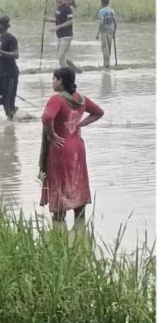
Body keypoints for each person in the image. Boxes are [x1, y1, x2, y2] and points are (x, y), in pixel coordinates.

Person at [39, 67, 104, 224]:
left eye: (54, 79)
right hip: (77, 147)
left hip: (60, 148)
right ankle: (80, 219)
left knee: (60, 182)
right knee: (77, 180)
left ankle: (59, 221)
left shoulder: (57, 99)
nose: (52, 82)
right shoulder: (81, 99)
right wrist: (80, 124)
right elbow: (99, 112)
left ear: (61, 82)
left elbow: (47, 117)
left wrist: (52, 135)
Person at [47, 0, 78, 71]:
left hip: (66, 36)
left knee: (60, 57)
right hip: (60, 36)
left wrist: (57, 27)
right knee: (62, 57)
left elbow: (70, 21)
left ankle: (65, 72)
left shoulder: (67, 8)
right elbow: (57, 20)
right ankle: (73, 69)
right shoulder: (59, 8)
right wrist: (47, 19)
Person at [96, 0, 117, 69]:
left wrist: (98, 33)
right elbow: (115, 22)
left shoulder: (101, 11)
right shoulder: (112, 11)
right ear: (108, 3)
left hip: (104, 31)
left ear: (102, 3)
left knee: (105, 48)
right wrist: (114, 32)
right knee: (109, 47)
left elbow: (101, 23)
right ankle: (106, 62)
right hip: (110, 31)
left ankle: (106, 63)